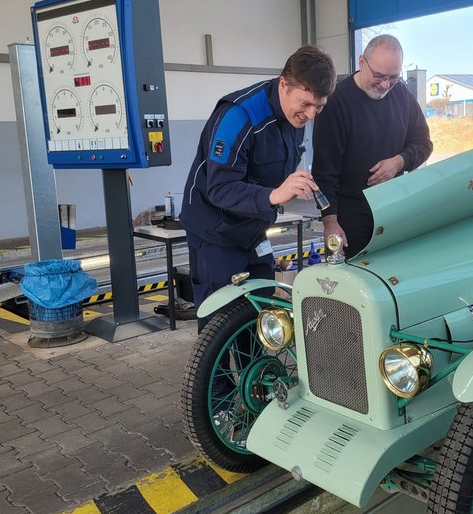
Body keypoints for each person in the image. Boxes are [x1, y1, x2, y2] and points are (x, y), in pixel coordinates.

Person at [179, 45, 337, 326]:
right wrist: (276, 194)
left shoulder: (294, 116)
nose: (311, 115)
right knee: (221, 322)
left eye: (319, 107)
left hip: (253, 231)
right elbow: (220, 188)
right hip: (216, 232)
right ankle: (219, 372)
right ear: (284, 84)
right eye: (306, 104)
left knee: (261, 311)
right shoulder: (239, 116)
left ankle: (254, 368)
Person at [312, 34, 433, 258]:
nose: (386, 85)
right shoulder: (336, 102)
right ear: (361, 62)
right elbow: (324, 171)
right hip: (350, 217)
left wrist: (399, 162)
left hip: (394, 210)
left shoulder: (402, 95)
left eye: (393, 77)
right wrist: (330, 221)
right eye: (379, 76)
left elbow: (424, 143)